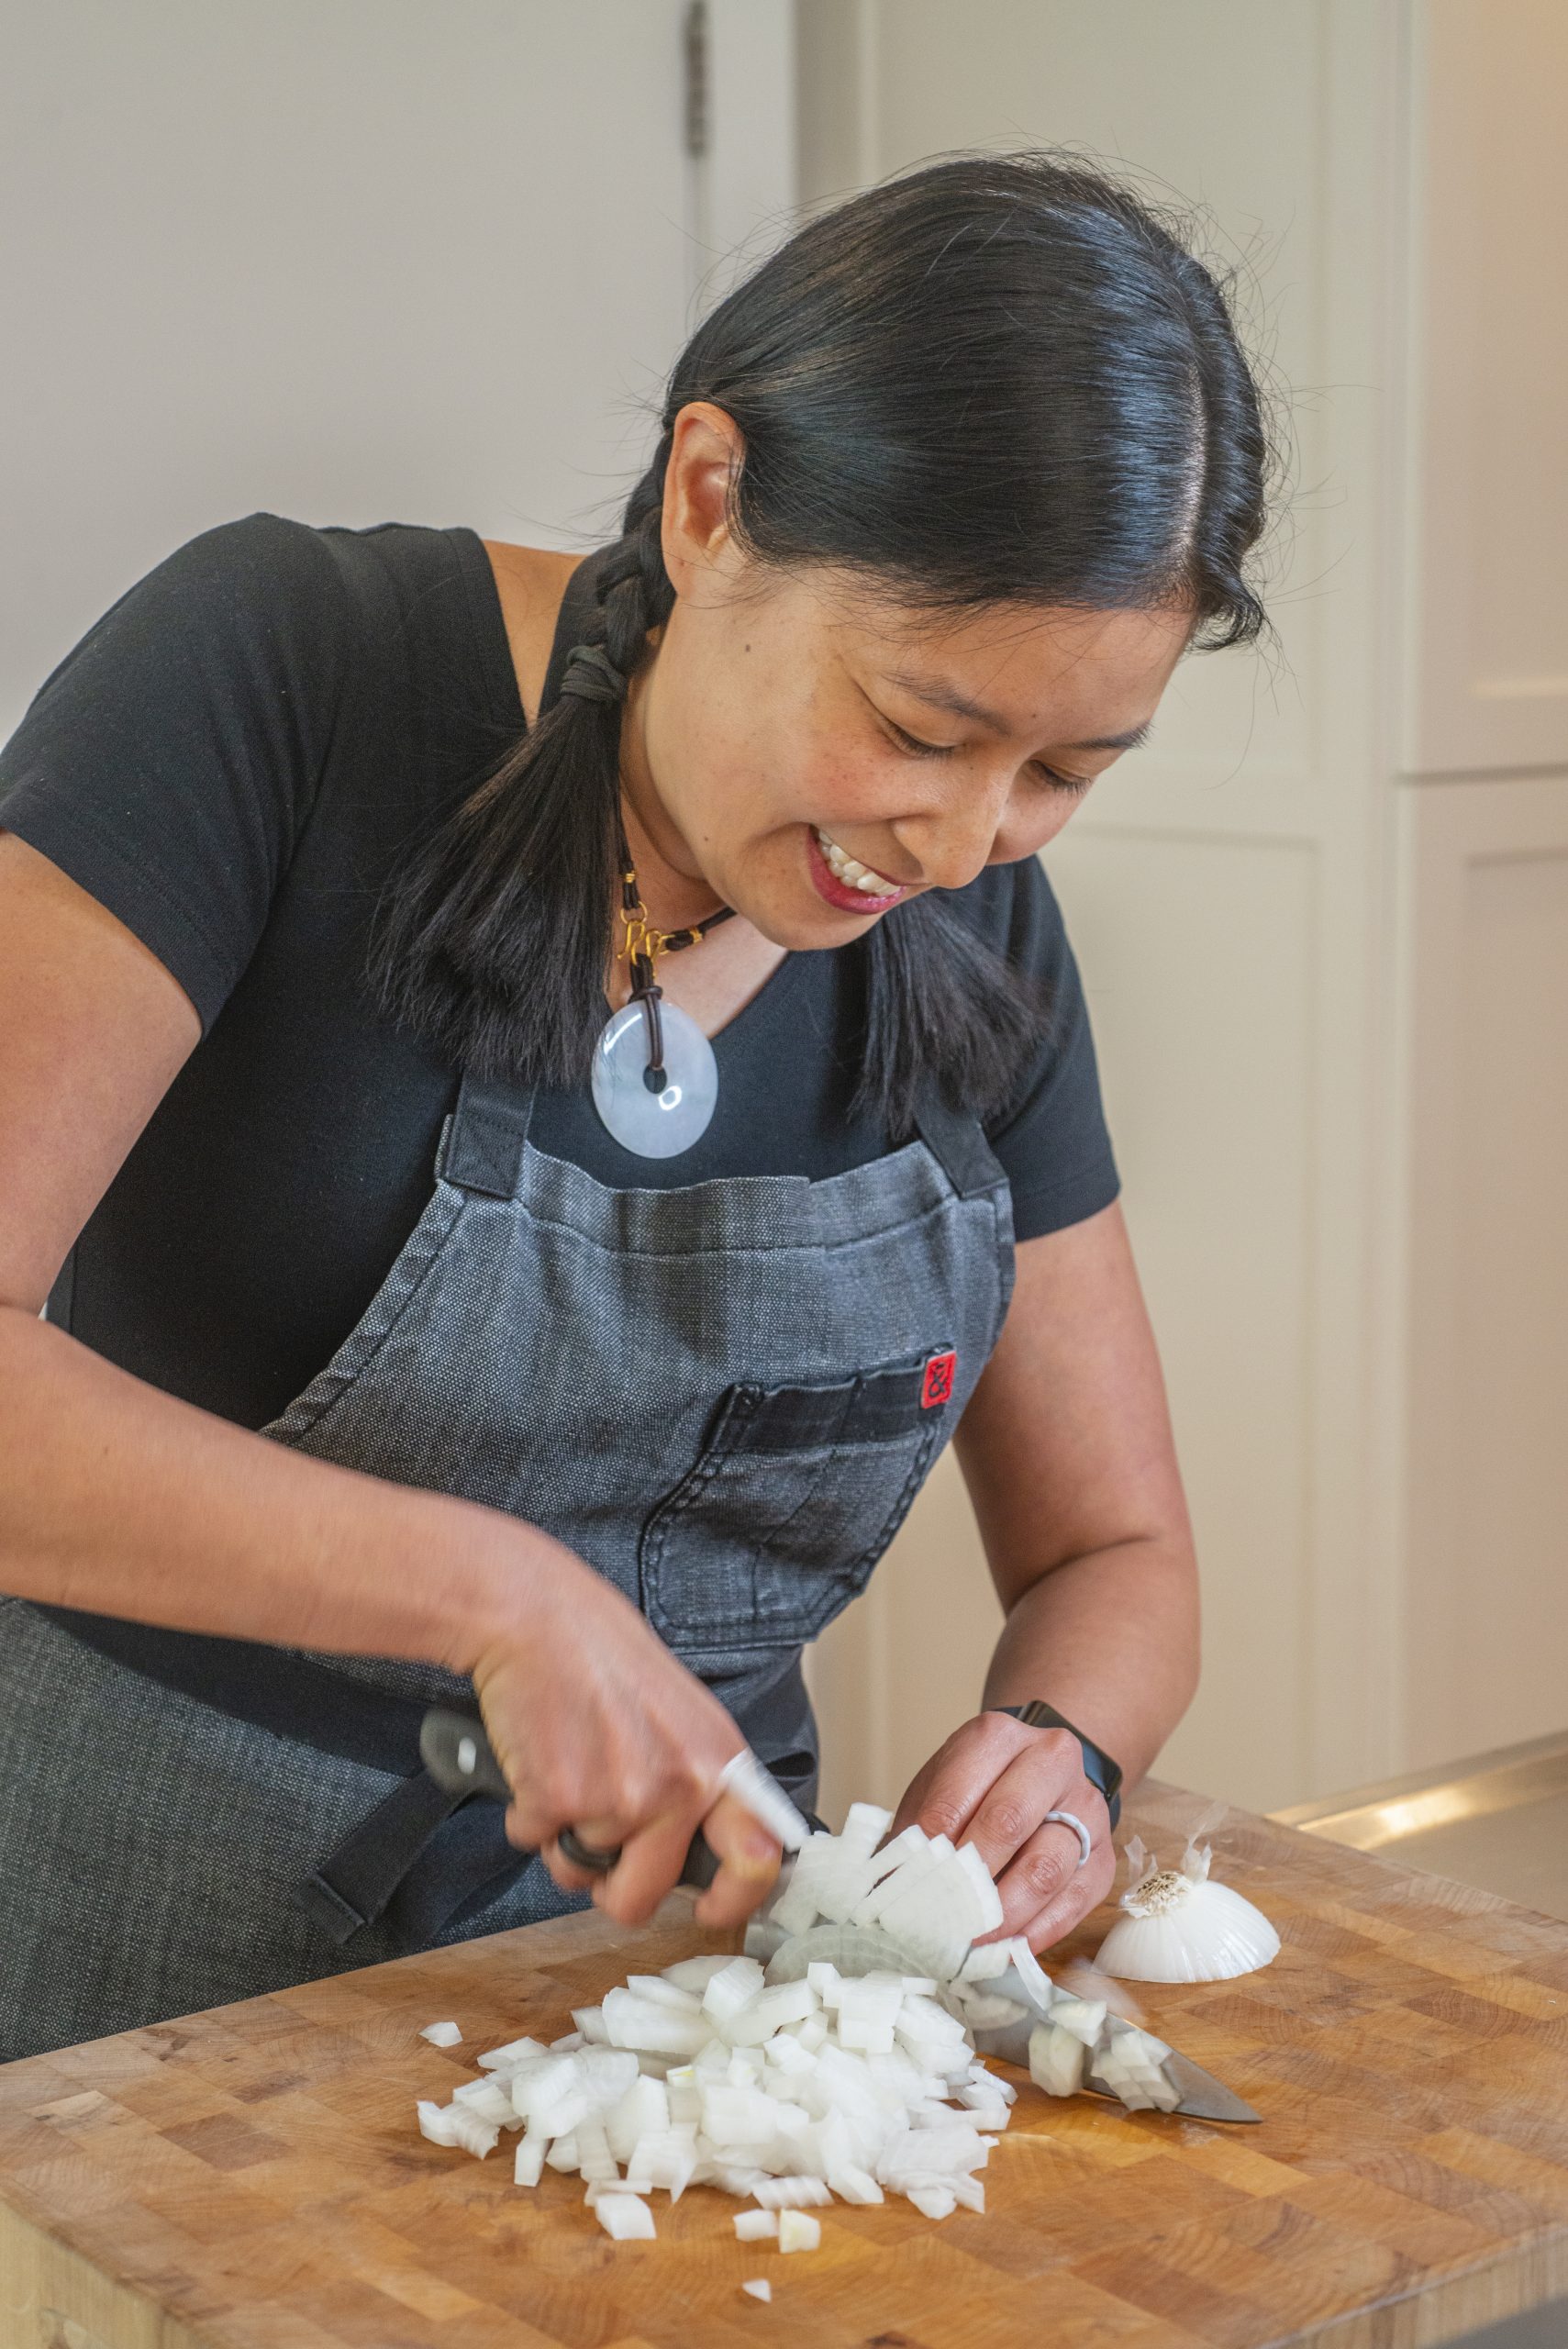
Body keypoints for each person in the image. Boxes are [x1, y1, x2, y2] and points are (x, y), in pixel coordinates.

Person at [0, 153, 1270, 2062]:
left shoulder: (977, 910)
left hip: (678, 2019)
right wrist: (498, 1596)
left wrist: (1062, 1753)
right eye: (920, 725)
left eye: (1064, 768)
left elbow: (1118, 1553)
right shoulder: (279, 673)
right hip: (134, 1988)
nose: (960, 838)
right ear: (708, 501)